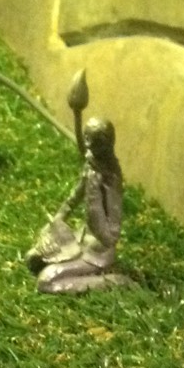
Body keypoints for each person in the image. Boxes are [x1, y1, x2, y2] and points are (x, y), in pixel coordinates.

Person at [26, 117, 129, 293]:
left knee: (46, 281)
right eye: (86, 139)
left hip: (97, 254)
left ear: (104, 145)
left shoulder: (111, 179)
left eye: (91, 142)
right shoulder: (91, 167)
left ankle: (112, 281)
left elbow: (109, 237)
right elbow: (74, 197)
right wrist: (57, 222)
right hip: (78, 241)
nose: (87, 148)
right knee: (32, 260)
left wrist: (95, 194)